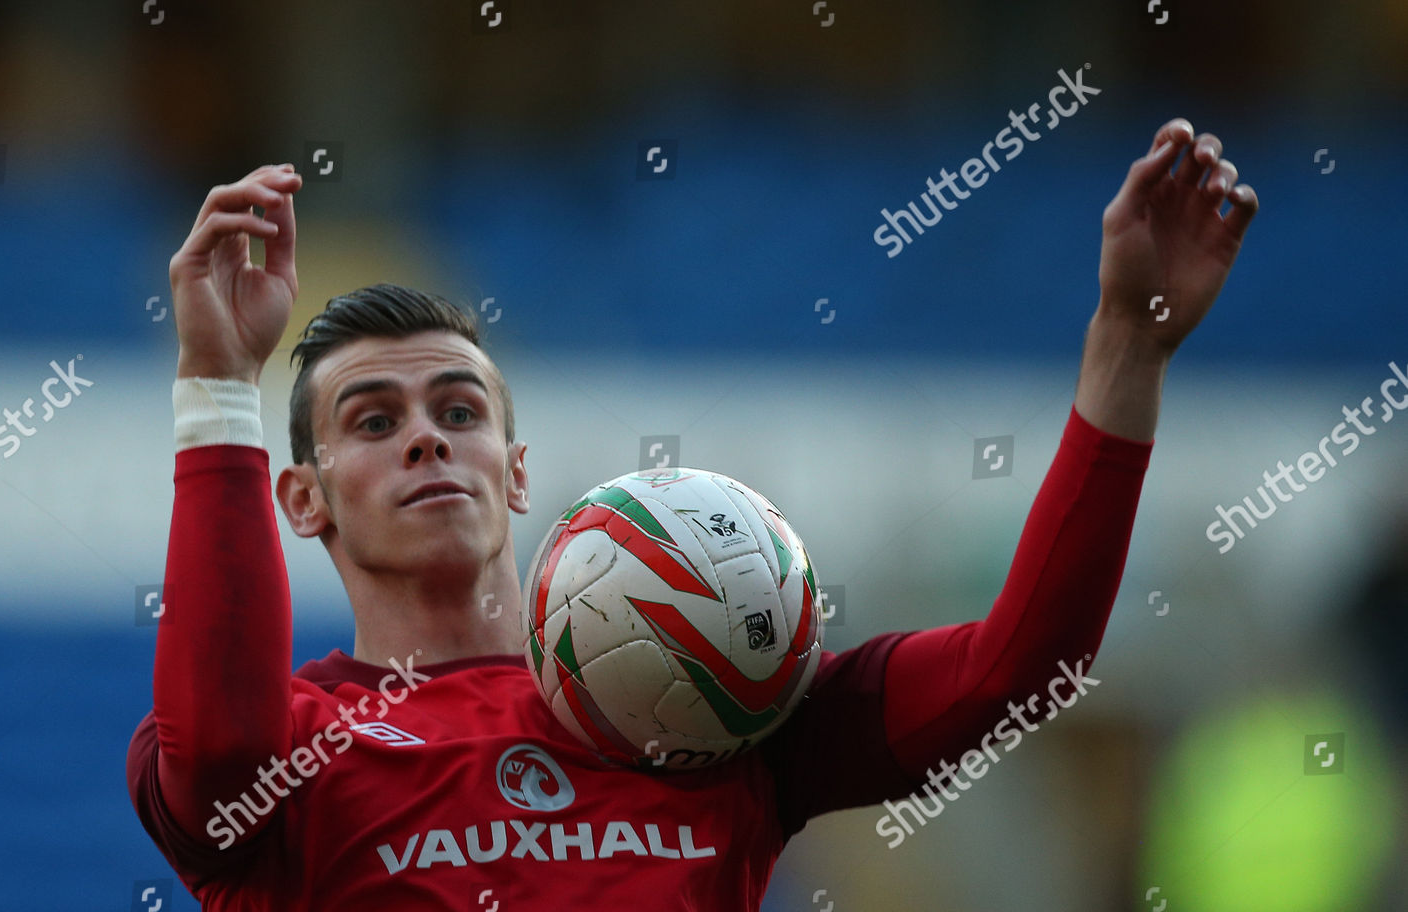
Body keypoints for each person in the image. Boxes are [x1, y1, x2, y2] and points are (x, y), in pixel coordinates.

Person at [127, 117, 1258, 909]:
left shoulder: (712, 699)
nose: (427, 435)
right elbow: (219, 744)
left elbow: (1020, 666)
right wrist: (218, 382)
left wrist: (1127, 345)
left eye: (459, 408)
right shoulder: (291, 749)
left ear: (516, 472)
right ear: (303, 501)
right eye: (373, 422)